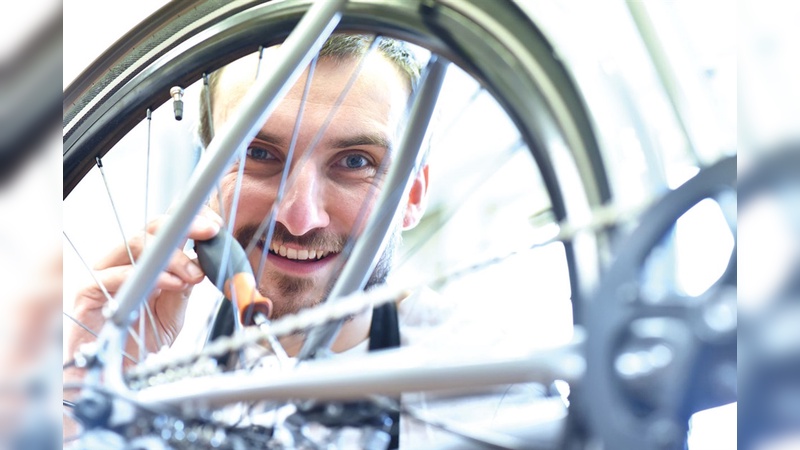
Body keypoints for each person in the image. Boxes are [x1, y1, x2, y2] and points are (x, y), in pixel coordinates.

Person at [64, 34, 444, 447]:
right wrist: (86, 390)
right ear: (205, 179)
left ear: (413, 195)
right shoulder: (158, 351)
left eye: (355, 162)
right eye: (258, 154)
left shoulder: (487, 383)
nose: (300, 219)